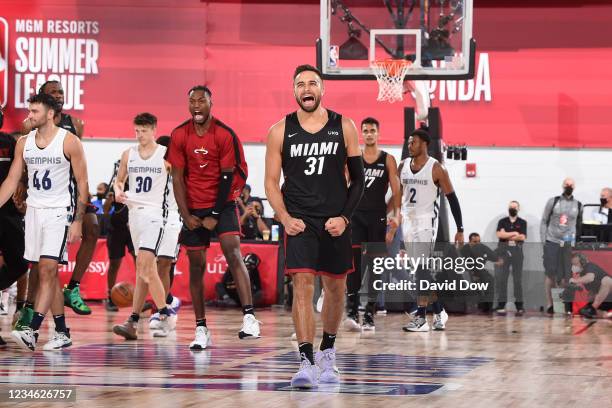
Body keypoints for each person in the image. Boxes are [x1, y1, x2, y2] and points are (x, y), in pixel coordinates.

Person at [265, 64, 364, 388]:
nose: (306, 88)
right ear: (294, 91)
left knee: (336, 289)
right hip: (299, 222)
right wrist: (284, 217)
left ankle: (327, 351)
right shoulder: (280, 130)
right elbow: (269, 182)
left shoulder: (344, 126)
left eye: (312, 83)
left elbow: (359, 181)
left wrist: (345, 217)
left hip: (335, 220)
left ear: (322, 89)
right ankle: (305, 360)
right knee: (303, 287)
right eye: (300, 84)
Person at [168, 85, 260, 350]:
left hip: (223, 203)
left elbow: (228, 176)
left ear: (211, 104)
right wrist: (186, 215)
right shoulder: (179, 134)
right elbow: (176, 177)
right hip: (193, 207)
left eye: (202, 101)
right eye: (192, 101)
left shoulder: (224, 134)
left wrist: (216, 214)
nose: (196, 105)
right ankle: (201, 329)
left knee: (233, 252)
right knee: (196, 266)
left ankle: (250, 317)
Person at [1, 93, 89, 351]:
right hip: (34, 213)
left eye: (35, 111)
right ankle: (62, 332)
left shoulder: (69, 142)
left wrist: (78, 221)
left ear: (50, 114)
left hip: (59, 212)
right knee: (46, 272)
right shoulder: (24, 143)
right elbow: (11, 180)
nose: (30, 116)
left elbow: (82, 182)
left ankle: (32, 329)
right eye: (30, 111)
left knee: (48, 270)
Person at [19, 80, 96, 316]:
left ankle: (73, 288)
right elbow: (24, 161)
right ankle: (28, 308)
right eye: (53, 92)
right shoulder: (28, 126)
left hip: (69, 191)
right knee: (40, 262)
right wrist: (21, 187)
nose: (58, 95)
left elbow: (78, 165)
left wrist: (85, 190)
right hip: (41, 196)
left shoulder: (76, 125)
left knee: (92, 226)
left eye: (61, 91)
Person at [111, 113, 175, 340]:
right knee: (143, 270)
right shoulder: (128, 154)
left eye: (144, 131)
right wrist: (118, 191)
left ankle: (165, 314)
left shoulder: (166, 154)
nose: (140, 135)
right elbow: (119, 180)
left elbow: (181, 179)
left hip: (156, 215)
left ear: (154, 130)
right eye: (137, 131)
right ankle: (134, 321)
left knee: (147, 265)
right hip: (134, 215)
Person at [399, 126, 464, 332]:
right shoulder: (402, 166)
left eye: (414, 142)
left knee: (421, 270)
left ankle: (420, 317)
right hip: (407, 222)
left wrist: (460, 228)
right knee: (420, 273)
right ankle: (439, 311)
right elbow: (396, 197)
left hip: (427, 222)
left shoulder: (437, 168)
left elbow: (452, 199)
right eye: (409, 142)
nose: (410, 145)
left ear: (425, 144)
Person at [345, 117, 400, 332]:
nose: (369, 134)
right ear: (361, 133)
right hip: (356, 217)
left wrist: (395, 218)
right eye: (365, 130)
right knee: (355, 267)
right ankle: (351, 310)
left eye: (372, 130)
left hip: (377, 218)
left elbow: (396, 191)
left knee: (376, 268)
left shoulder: (388, 159)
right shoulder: (353, 157)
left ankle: (369, 312)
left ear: (378, 133)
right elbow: (343, 184)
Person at [148, 135, 182, 330]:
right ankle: (167, 301)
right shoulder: (150, 168)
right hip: (151, 218)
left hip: (173, 218)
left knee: (165, 263)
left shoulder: (178, 168)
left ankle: (161, 309)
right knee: (149, 266)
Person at [540, 177, 582, 316]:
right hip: (552, 241)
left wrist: (575, 244)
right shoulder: (553, 201)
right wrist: (544, 241)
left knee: (565, 276)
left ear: (574, 187)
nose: (568, 186)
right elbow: (544, 221)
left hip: (568, 243)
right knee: (550, 273)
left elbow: (578, 225)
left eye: (571, 184)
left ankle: (562, 305)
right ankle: (550, 304)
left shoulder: (578, 205)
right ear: (562, 185)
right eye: (566, 184)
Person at [103, 161, 135, 312]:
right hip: (117, 229)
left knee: (140, 262)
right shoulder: (115, 186)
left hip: (135, 228)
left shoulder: (138, 185)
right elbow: (105, 210)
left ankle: (142, 299)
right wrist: (109, 201)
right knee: (115, 263)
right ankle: (110, 297)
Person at [495, 200, 527, 315]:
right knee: (503, 278)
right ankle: (501, 304)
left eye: (514, 207)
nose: (512, 209)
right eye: (511, 207)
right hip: (504, 252)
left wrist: (507, 234)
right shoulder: (502, 221)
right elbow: (499, 234)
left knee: (517, 280)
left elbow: (522, 237)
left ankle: (519, 305)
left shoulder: (522, 222)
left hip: (517, 253)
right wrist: (514, 234)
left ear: (518, 209)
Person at [461, 233, 502, 313]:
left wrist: (498, 260)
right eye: (475, 242)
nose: (477, 244)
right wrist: (471, 275)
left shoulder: (483, 248)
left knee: (490, 280)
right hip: (468, 271)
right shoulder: (464, 250)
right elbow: (460, 264)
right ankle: (480, 305)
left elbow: (494, 257)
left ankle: (488, 307)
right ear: (470, 242)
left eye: (479, 241)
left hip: (480, 271)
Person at [568, 253, 611, 318]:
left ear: (582, 262)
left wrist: (575, 280)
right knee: (585, 310)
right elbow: (592, 292)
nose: (573, 267)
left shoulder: (589, 266)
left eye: (575, 264)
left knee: (607, 280)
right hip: (606, 299)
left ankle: (593, 308)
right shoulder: (583, 274)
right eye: (572, 264)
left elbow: (590, 278)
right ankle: (605, 314)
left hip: (609, 294)